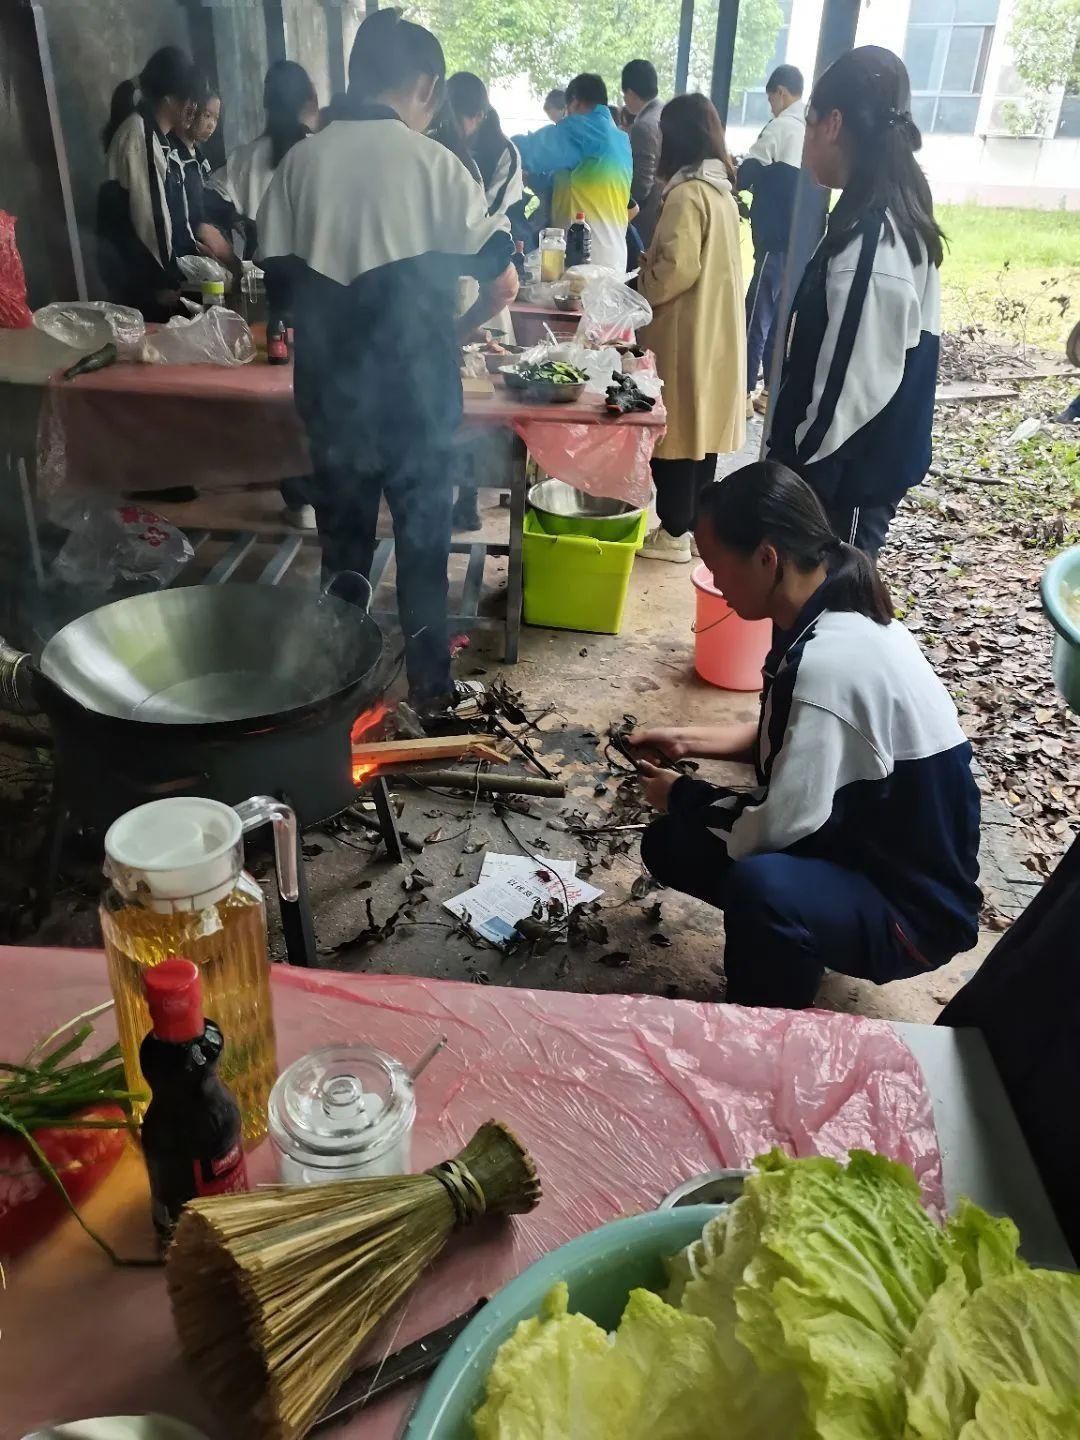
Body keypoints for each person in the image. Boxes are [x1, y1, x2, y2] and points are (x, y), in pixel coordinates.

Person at [634, 461, 981, 1010]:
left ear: (767, 557)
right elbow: (802, 743)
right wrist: (686, 740)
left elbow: (779, 827)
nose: (715, 582)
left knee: (761, 888)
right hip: (862, 847)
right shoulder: (827, 607)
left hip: (913, 912)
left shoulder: (830, 662)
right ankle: (807, 932)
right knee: (670, 844)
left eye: (717, 564)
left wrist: (681, 794)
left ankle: (772, 1029)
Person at [257, 8, 517, 714]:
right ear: (427, 86)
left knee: (342, 550)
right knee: (424, 549)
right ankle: (430, 692)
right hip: (419, 396)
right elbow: (501, 273)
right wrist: (448, 326)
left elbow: (274, 288)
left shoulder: (298, 165)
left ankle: (336, 691)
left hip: (330, 397)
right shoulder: (438, 168)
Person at [767, 46, 945, 558]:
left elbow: (846, 399)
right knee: (818, 623)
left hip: (841, 485)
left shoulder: (874, 238)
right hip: (849, 477)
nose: (803, 142)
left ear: (834, 123)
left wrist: (790, 476)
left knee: (823, 619)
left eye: (809, 122)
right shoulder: (879, 210)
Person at [637, 94, 745, 564]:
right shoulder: (720, 191)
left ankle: (675, 530)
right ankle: (695, 528)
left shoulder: (686, 194)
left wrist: (641, 288)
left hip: (685, 331)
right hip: (714, 331)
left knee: (678, 432)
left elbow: (677, 268)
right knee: (703, 434)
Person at [98, 46, 201, 320]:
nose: (193, 108)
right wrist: (162, 282)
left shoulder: (153, 136)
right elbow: (149, 219)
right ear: (168, 99)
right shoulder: (139, 135)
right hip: (140, 285)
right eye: (188, 99)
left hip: (140, 278)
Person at [737, 63, 805, 419]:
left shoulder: (780, 127)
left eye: (771, 99)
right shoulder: (810, 129)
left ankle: (744, 393)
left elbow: (747, 173)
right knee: (779, 319)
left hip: (774, 240)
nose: (772, 107)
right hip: (800, 244)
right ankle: (769, 392)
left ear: (780, 92)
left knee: (755, 316)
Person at [513, 74, 632, 274]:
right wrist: (532, 178)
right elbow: (564, 180)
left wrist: (493, 141)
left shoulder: (584, 129)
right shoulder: (620, 140)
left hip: (584, 260)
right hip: (614, 256)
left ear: (575, 103)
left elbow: (530, 149)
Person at [208, 60, 319, 238]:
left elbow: (206, 200)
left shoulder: (241, 160)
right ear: (307, 99)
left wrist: (235, 220)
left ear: (266, 102)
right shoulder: (324, 154)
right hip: (316, 264)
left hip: (259, 265)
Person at [445, 73, 523, 220]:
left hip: (499, 234)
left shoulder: (506, 153)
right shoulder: (440, 141)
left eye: (455, 122)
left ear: (479, 116)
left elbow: (488, 215)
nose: (450, 128)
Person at [621, 58, 664, 247]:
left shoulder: (643, 125)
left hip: (646, 220)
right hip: (663, 213)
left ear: (630, 92)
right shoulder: (664, 112)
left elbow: (641, 185)